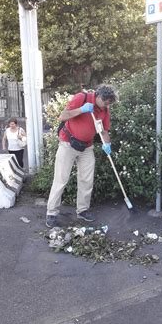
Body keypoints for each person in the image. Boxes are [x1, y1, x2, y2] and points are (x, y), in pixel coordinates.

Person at [45, 84, 118, 227]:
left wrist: (107, 144)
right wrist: (81, 110)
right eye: (105, 102)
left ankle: (83, 210)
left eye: (109, 103)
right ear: (98, 96)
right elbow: (63, 116)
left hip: (87, 146)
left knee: (87, 179)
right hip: (68, 144)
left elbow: (104, 131)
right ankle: (51, 213)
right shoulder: (81, 98)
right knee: (61, 178)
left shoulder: (105, 110)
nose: (106, 105)